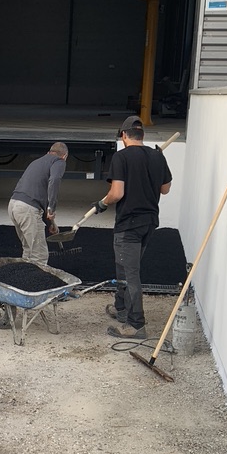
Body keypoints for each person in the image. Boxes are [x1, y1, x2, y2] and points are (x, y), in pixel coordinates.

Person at [96, 115, 172, 340]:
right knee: (125, 268)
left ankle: (136, 325)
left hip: (128, 224)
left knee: (130, 274)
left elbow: (117, 193)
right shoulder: (157, 156)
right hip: (149, 222)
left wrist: (102, 203)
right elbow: (165, 189)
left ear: (124, 136)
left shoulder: (121, 157)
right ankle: (121, 309)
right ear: (142, 135)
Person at [8, 141, 69, 264]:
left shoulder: (36, 162)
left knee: (28, 250)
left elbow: (39, 196)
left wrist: (50, 223)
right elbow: (54, 180)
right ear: (65, 155)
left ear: (49, 152)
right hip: (27, 209)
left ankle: (24, 274)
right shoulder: (59, 161)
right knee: (39, 255)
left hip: (13, 205)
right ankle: (37, 277)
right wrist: (52, 207)